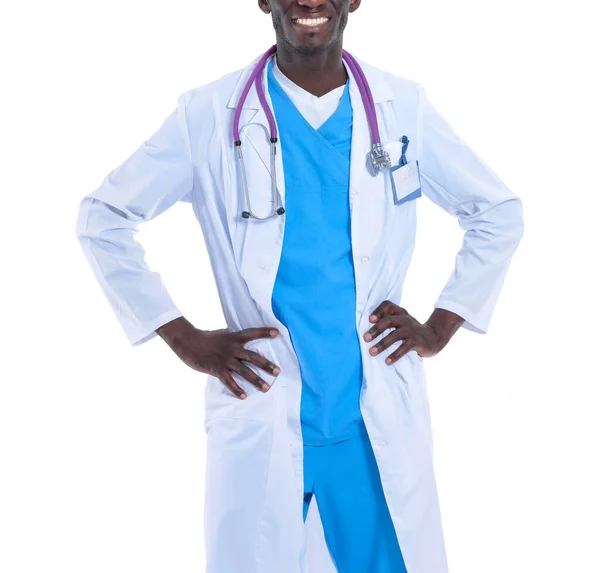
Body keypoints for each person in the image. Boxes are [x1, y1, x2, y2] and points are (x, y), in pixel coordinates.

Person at [75, 1, 524, 571]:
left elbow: (497, 211)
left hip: (370, 422)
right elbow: (103, 217)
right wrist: (183, 337)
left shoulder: (400, 106)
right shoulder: (209, 114)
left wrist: (442, 323)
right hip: (263, 409)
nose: (309, 1)